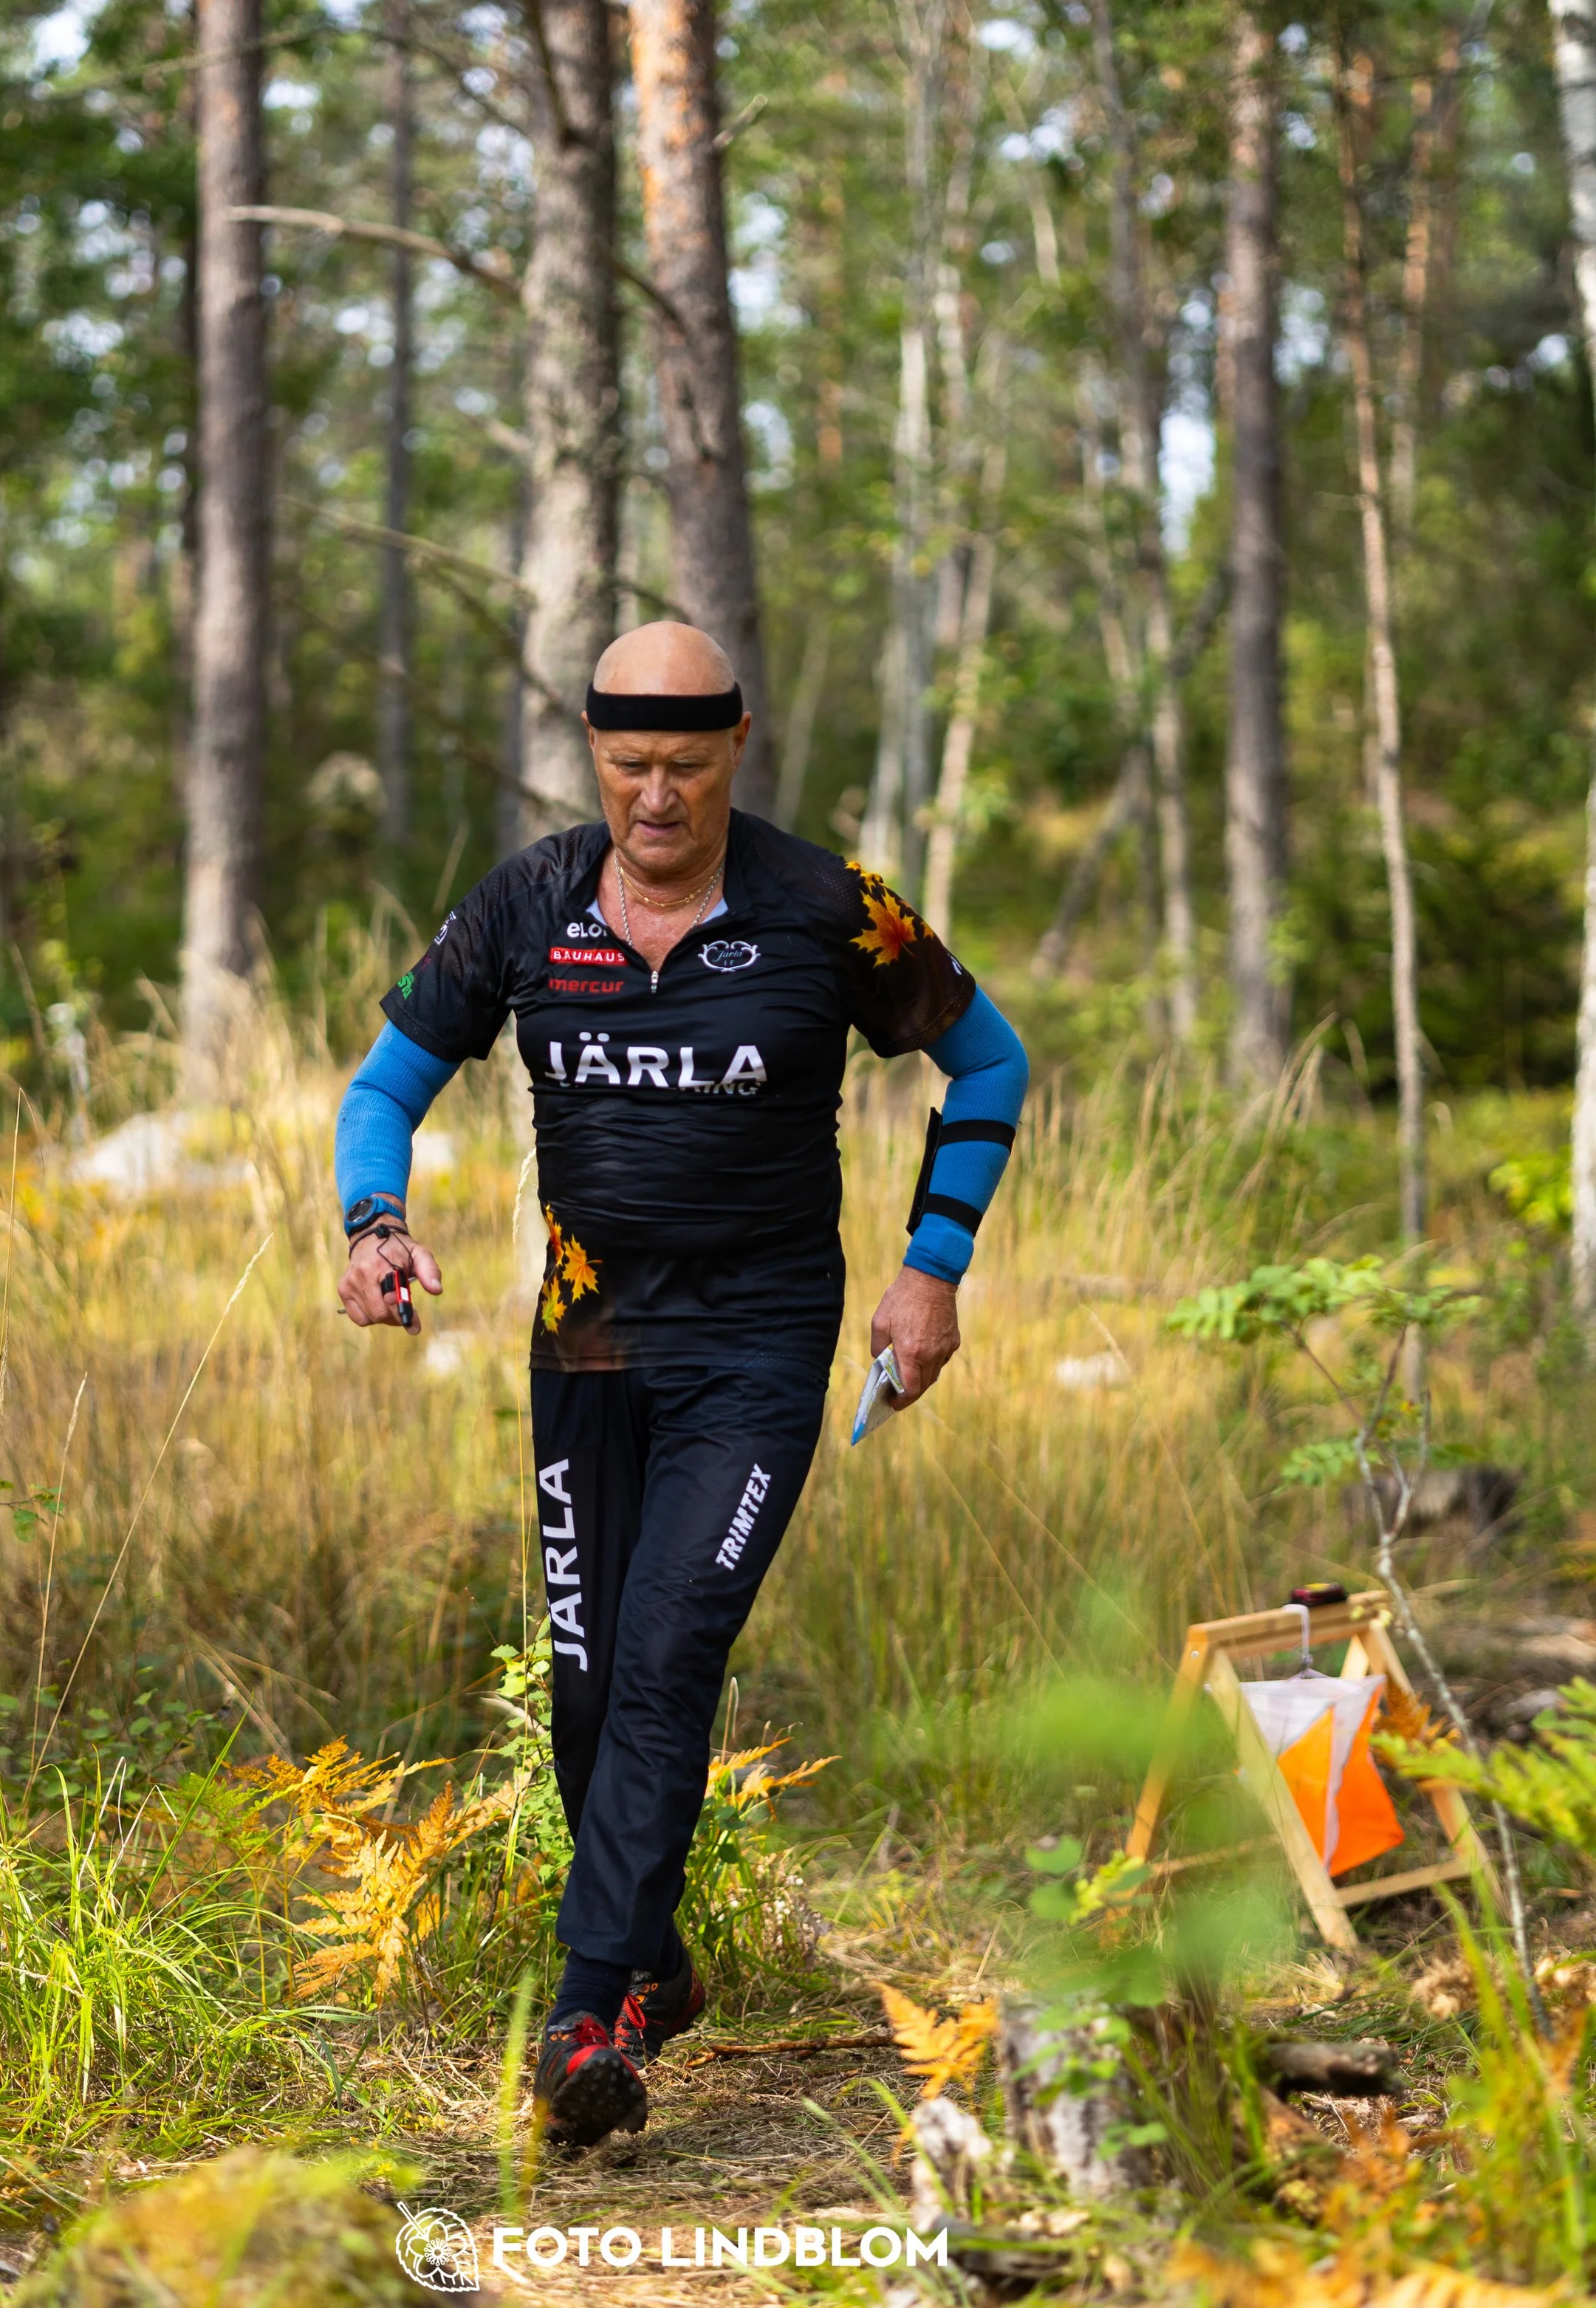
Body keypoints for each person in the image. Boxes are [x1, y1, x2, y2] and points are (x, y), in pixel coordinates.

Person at [335, 622, 1027, 2148]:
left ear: (736, 747)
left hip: (758, 1345)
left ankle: (585, 2013)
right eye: (628, 764)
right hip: (583, 1344)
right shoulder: (525, 900)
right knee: (587, 1691)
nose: (656, 796)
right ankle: (655, 1962)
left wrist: (934, 1264)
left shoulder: (826, 908)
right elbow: (386, 1081)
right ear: (593, 750)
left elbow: (987, 1062)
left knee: (666, 1648)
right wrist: (373, 1223)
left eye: (686, 766)